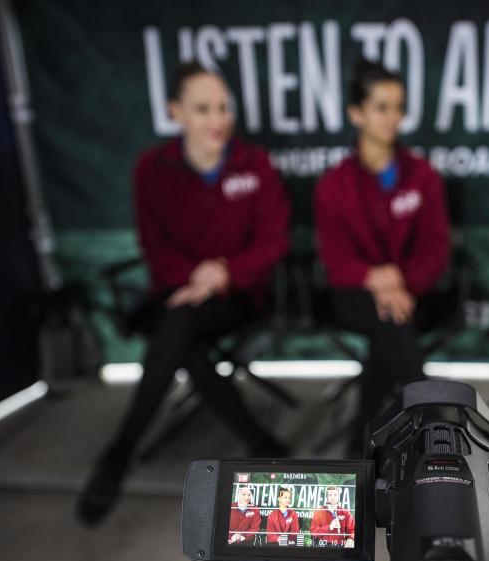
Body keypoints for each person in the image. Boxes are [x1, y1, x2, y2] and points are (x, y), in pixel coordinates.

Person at [76, 62, 291, 526]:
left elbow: (274, 241)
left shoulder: (255, 165)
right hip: (175, 291)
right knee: (184, 338)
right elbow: (155, 245)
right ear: (176, 112)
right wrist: (193, 277)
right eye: (203, 108)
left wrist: (223, 274)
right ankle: (258, 440)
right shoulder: (152, 170)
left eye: (222, 107)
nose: (217, 119)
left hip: (238, 294)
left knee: (178, 329)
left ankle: (119, 452)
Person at [315, 59, 451, 456]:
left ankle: (359, 446)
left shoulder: (422, 175)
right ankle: (436, 429)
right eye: (381, 107)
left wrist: (400, 283)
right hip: (354, 295)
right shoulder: (334, 185)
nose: (393, 117)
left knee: (390, 326)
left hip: (415, 293)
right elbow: (336, 261)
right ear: (356, 113)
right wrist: (377, 278)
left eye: (398, 107)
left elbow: (435, 251)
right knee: (389, 322)